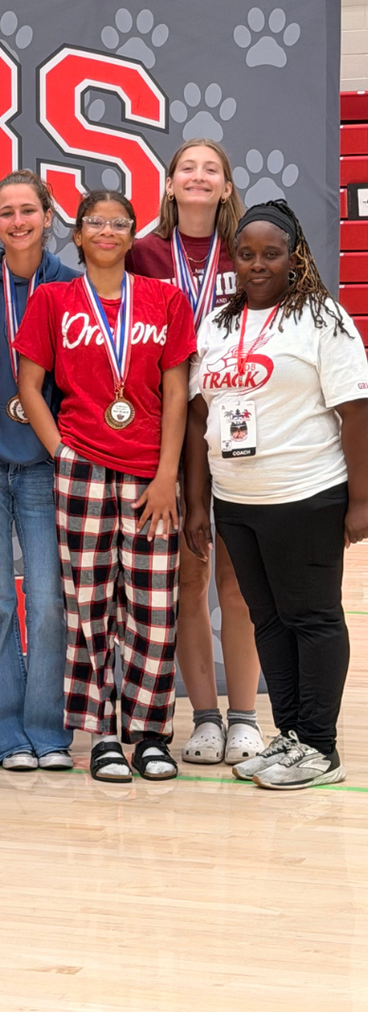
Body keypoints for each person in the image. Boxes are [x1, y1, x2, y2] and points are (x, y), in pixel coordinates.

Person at [185, 200, 368, 790]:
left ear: (296, 257)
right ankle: (289, 736)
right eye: (246, 254)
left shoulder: (323, 318)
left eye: (271, 254)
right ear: (232, 259)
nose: (258, 264)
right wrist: (197, 501)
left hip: (307, 493)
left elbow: (357, 412)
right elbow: (196, 417)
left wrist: (362, 499)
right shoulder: (216, 322)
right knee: (268, 620)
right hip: (237, 500)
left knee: (312, 618)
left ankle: (321, 747)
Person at [15, 190, 195, 783]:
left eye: (120, 223)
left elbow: (176, 392)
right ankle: (104, 736)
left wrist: (168, 473)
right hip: (83, 469)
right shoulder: (53, 299)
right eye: (97, 222)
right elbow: (29, 382)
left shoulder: (165, 299)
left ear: (133, 232)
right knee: (89, 608)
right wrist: (61, 453)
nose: (108, 232)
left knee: (152, 608)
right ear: (79, 232)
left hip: (151, 475)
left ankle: (150, 732)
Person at [127, 140, 263, 767]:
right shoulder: (143, 253)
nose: (200, 177)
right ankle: (203, 717)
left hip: (240, 423)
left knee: (238, 582)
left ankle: (245, 717)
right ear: (171, 183)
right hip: (171, 427)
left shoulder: (252, 252)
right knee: (188, 575)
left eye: (213, 169)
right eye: (189, 168)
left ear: (227, 186)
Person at [0, 171, 79, 772]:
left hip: (43, 465)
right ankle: (6, 733)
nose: (18, 222)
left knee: (46, 602)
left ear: (48, 215)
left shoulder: (70, 283)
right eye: (6, 213)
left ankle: (48, 729)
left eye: (29, 211)